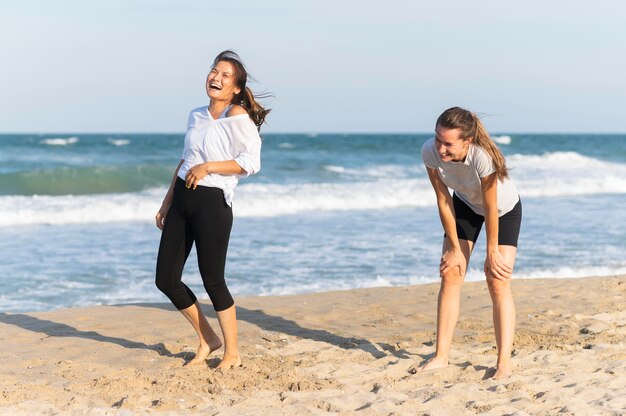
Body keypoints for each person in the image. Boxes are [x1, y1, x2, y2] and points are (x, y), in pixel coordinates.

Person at [155, 50, 270, 370]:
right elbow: (185, 160)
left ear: (235, 87)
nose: (215, 78)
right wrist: (167, 201)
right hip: (182, 200)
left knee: (213, 280)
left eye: (224, 75)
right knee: (166, 279)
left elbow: (251, 163)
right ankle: (208, 339)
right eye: (213, 71)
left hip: (213, 203)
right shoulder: (196, 114)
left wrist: (209, 167)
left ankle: (232, 351)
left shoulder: (238, 118)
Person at [416, 107, 522, 380]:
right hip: (465, 206)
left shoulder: (482, 158)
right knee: (451, 273)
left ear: (467, 141)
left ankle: (503, 363)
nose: (440, 148)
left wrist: (492, 251)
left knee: (497, 279)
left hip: (503, 210)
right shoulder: (430, 151)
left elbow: (491, 205)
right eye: (438, 138)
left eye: (448, 143)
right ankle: (441, 356)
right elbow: (443, 200)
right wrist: (453, 247)